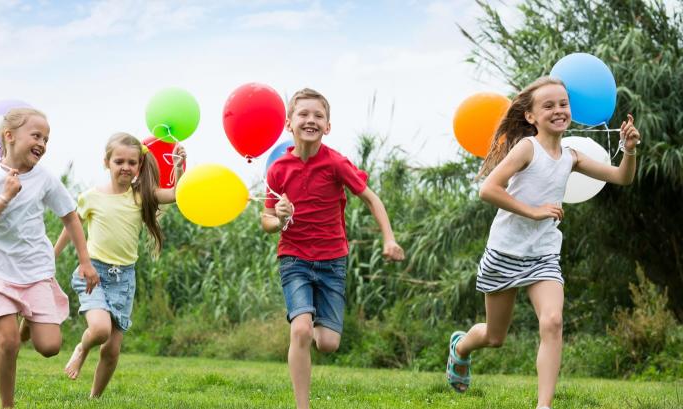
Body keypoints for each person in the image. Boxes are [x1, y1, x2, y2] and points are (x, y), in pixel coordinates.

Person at [445, 76, 641, 409]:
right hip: (505, 252)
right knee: (495, 337)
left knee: (552, 322)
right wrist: (534, 211)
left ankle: (543, 406)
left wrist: (629, 150)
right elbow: (488, 189)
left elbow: (622, 177)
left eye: (563, 104)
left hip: (543, 255)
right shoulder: (526, 148)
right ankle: (461, 348)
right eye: (548, 105)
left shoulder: (572, 156)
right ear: (531, 116)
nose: (558, 110)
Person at [262, 88, 405, 409]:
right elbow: (267, 221)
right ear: (289, 124)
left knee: (328, 343)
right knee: (300, 331)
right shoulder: (278, 170)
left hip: (331, 261)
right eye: (303, 114)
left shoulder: (336, 163)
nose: (310, 120)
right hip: (294, 258)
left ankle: (312, 322)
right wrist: (279, 217)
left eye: (318, 116)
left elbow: (372, 198)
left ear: (328, 126)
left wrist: (389, 238)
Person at [0, 107, 96, 409]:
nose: (43, 143)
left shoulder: (45, 178)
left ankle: (28, 321)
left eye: (47, 139)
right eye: (36, 135)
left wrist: (85, 261)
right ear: (9, 136)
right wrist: (5, 196)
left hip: (35, 270)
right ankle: (6, 405)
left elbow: (70, 216)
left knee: (49, 347)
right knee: (8, 342)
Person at [55, 132, 185, 398]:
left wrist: (180, 169)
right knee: (100, 330)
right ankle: (81, 348)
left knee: (112, 350)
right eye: (119, 161)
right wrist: (53, 255)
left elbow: (175, 195)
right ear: (107, 162)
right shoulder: (91, 197)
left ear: (139, 165)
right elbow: (72, 226)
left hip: (124, 279)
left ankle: (94, 398)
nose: (126, 167)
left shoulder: (142, 196)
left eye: (132, 162)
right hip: (93, 273)